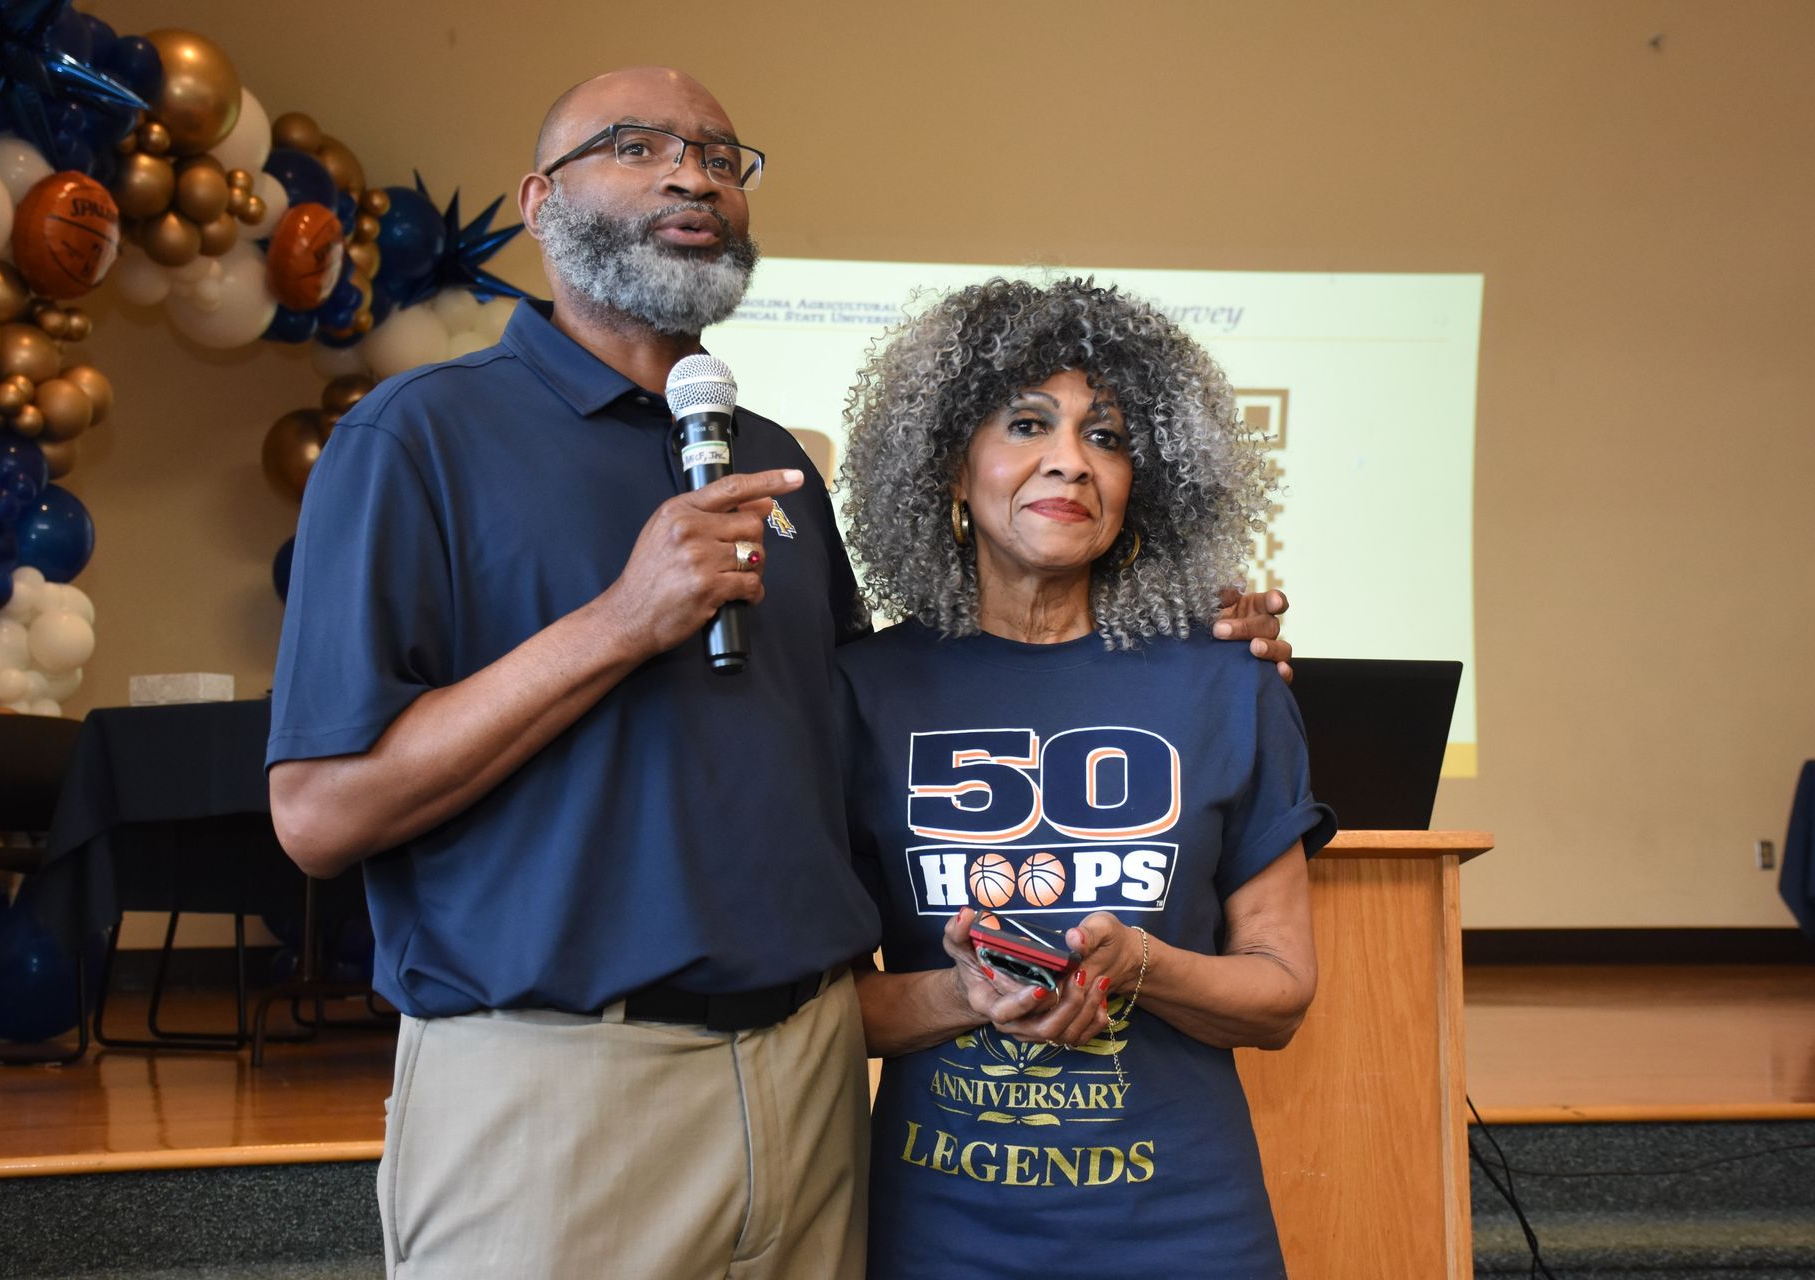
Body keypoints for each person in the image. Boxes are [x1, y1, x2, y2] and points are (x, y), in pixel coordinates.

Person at [267, 66, 1292, 1279]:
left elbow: (857, 734)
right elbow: (318, 816)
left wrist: (1190, 623)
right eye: (638, 145)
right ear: (541, 201)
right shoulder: (418, 438)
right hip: (561, 1084)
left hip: (810, 1082)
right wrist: (623, 619)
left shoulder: (760, 462)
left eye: (719, 154)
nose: (693, 172)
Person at [834, 277, 1336, 1278]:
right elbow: (823, 1010)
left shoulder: (1227, 686)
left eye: (1105, 434)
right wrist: (971, 993)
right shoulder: (860, 691)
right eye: (1027, 423)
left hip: (1184, 1229)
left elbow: (1281, 994)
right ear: (947, 464)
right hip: (940, 1232)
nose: (1070, 457)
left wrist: (1138, 964)